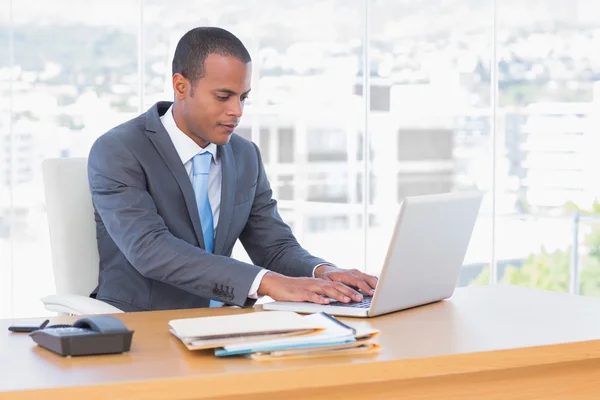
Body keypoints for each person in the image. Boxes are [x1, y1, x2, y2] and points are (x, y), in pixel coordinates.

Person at [87, 26, 378, 312]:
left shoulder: (244, 155)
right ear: (181, 86)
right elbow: (150, 249)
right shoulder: (119, 150)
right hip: (143, 331)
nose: (237, 111)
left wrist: (321, 271)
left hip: (224, 325)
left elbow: (273, 247)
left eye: (243, 97)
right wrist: (268, 282)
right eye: (223, 97)